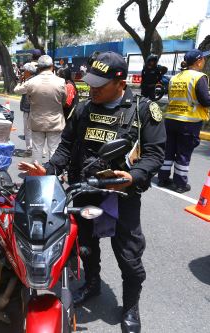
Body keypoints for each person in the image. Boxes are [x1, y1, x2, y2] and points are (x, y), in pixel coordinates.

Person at [18, 51, 166, 333]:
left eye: (100, 84)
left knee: (129, 255)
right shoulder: (85, 108)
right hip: (84, 187)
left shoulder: (143, 110)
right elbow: (66, 146)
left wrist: (133, 177)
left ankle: (131, 305)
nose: (92, 88)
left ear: (120, 82)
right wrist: (48, 168)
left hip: (122, 192)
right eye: (90, 83)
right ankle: (92, 283)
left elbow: (155, 154)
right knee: (85, 245)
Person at [157, 49, 210, 193]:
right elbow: (205, 100)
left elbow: (170, 98)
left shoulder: (175, 78)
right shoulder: (199, 77)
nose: (204, 62)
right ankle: (180, 184)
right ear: (198, 61)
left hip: (170, 119)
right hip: (189, 121)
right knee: (183, 153)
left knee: (168, 151)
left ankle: (162, 178)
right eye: (203, 59)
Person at [25, 55, 67, 159]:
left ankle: (36, 172)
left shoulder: (31, 82)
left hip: (37, 121)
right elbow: (63, 101)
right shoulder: (61, 81)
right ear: (52, 66)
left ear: (38, 67)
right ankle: (53, 173)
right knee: (54, 148)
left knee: (37, 148)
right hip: (55, 121)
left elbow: (28, 100)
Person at [14, 62, 37, 156]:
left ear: (28, 72)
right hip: (37, 109)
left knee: (27, 130)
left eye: (24, 71)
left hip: (28, 109)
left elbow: (16, 90)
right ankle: (40, 150)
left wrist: (19, 81)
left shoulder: (28, 82)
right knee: (37, 131)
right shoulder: (36, 80)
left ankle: (29, 149)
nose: (22, 73)